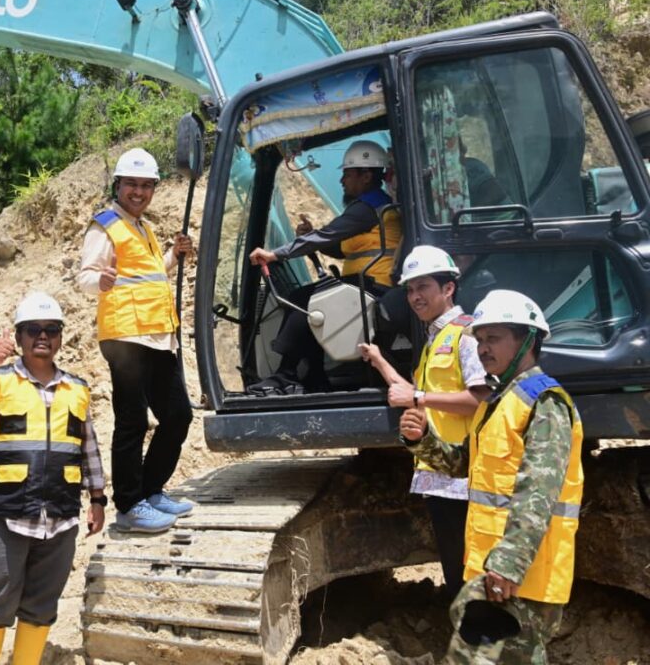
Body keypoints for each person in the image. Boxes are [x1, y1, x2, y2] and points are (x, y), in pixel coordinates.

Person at [399, 290, 583, 663]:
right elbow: (463, 465)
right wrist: (422, 440)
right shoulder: (498, 403)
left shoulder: (543, 402)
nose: (483, 349)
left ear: (527, 340)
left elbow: (538, 494)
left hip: (522, 576)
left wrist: (509, 563)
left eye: (493, 338)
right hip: (489, 569)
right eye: (480, 340)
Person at [0, 291, 107, 665]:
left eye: (51, 329)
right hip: (7, 514)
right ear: (20, 337)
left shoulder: (77, 389)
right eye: (33, 329)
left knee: (42, 605)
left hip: (61, 515)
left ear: (60, 337)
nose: (43, 336)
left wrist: (98, 499)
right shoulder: (0, 381)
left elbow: (88, 447)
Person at [358, 245, 490, 600]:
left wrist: (417, 398)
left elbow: (480, 398)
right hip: (440, 477)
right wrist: (380, 362)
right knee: (456, 577)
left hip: (465, 479)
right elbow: (414, 393)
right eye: (411, 290)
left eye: (424, 287)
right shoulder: (435, 339)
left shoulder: (466, 334)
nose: (415, 297)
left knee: (471, 578)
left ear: (448, 288)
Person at [77, 147, 194, 534]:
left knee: (178, 415)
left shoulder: (142, 227)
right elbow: (85, 276)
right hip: (126, 335)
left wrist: (173, 256)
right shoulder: (105, 226)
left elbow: (152, 275)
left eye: (146, 185)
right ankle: (129, 505)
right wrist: (100, 281)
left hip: (157, 335)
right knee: (132, 420)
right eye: (132, 184)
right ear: (118, 185)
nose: (139, 192)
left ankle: (151, 490)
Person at [248, 140, 402, 392]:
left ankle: (287, 373)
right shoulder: (371, 208)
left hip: (375, 286)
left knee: (304, 301)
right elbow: (338, 247)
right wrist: (311, 237)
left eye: (347, 174)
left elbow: (327, 235)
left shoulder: (368, 207)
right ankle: (314, 376)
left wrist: (275, 254)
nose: (342, 180)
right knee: (308, 299)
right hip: (365, 283)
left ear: (366, 176)